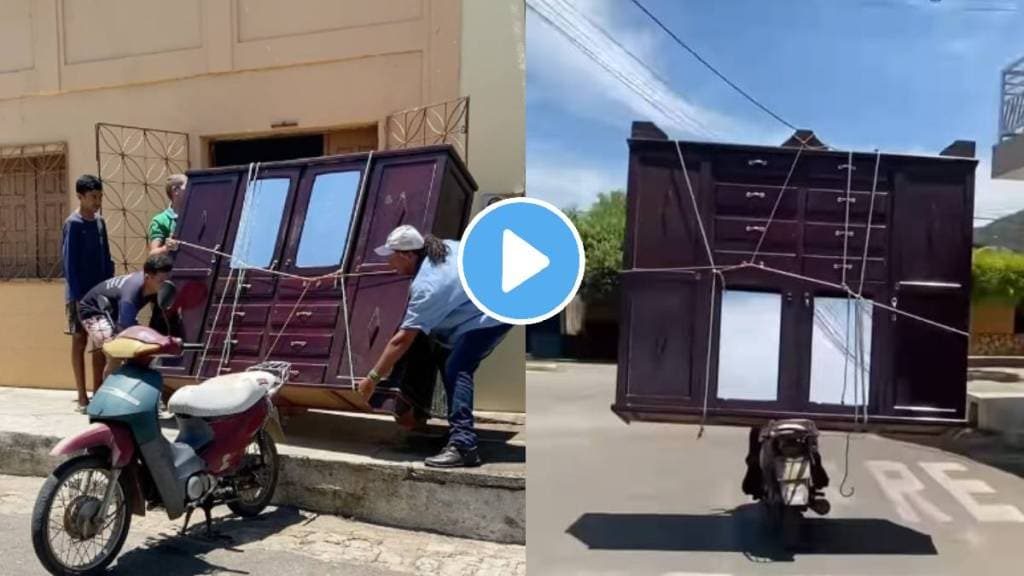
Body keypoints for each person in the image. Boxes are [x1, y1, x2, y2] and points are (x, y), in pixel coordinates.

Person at [357, 225, 511, 468]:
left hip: (492, 316)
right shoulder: (443, 247)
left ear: (408, 255)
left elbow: (401, 340)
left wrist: (372, 378)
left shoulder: (428, 285)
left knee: (457, 368)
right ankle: (458, 431)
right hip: (491, 303)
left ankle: (464, 446)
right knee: (444, 358)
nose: (390, 265)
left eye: (392, 257)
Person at [77, 254, 176, 380]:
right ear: (147, 277)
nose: (164, 286)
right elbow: (125, 327)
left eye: (168, 280)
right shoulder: (130, 296)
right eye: (161, 282)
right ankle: (110, 393)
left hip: (117, 310)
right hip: (94, 310)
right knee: (115, 353)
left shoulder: (156, 287)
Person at [63, 174, 115, 413]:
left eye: (100, 196)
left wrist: (108, 288)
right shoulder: (72, 224)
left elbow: (107, 257)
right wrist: (77, 297)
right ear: (80, 197)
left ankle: (99, 392)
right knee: (79, 340)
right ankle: (82, 396)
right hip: (79, 294)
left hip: (100, 293)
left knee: (101, 341)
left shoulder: (100, 223)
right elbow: (69, 265)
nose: (97, 201)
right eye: (93, 197)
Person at [148, 174, 187, 256]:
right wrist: (166, 248)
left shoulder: (197, 215)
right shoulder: (160, 220)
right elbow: (153, 254)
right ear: (176, 190)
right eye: (187, 186)